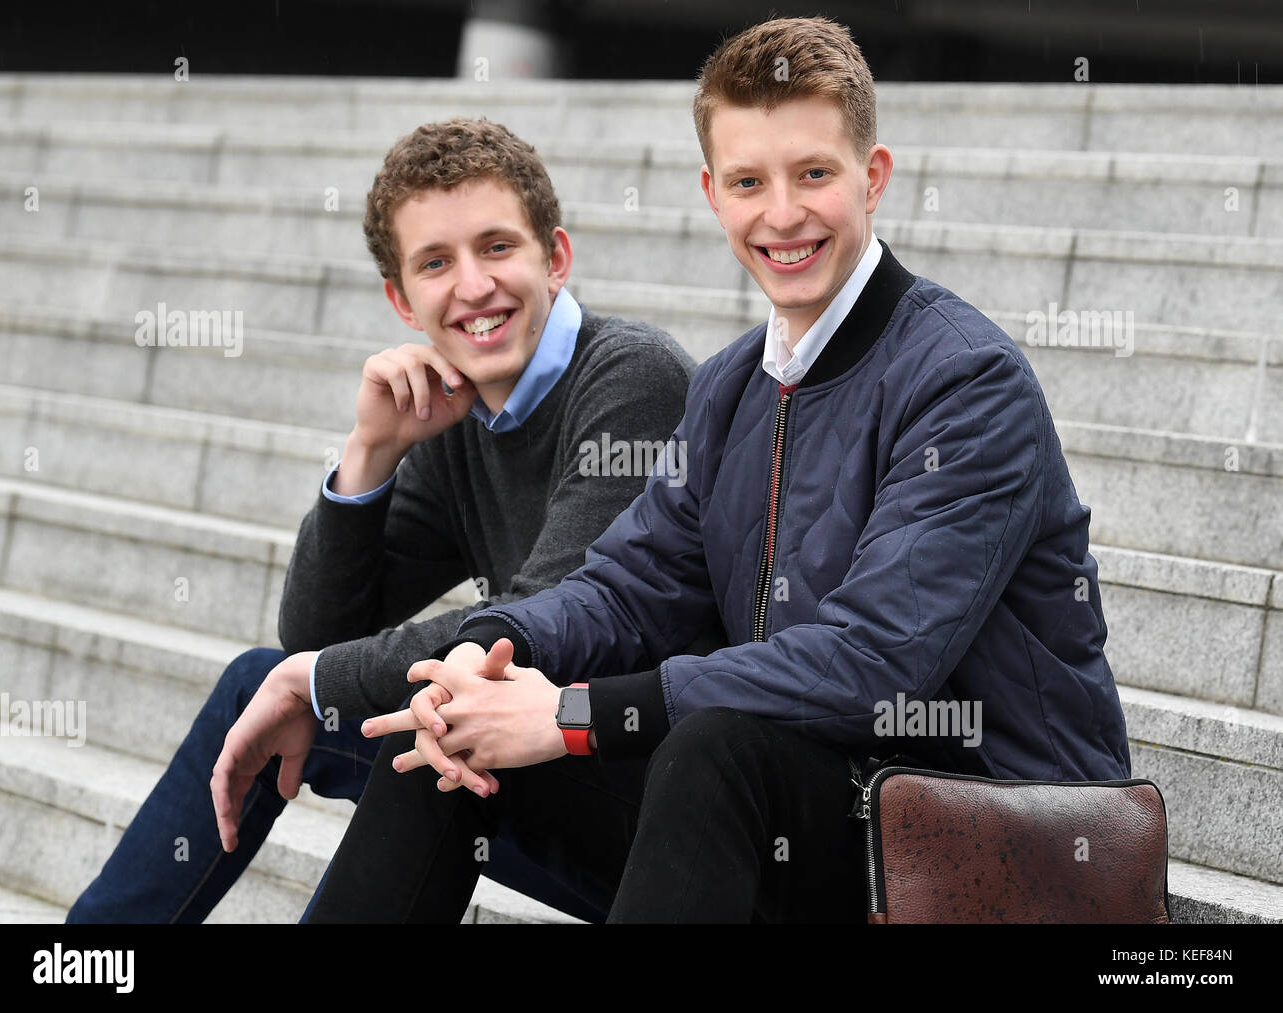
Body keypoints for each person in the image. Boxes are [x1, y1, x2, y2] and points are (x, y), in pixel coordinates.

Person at [305, 15, 1133, 925]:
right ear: (712, 193)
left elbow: (871, 664)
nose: (781, 214)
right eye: (748, 182)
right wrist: (494, 652)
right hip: (816, 812)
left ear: (875, 177)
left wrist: (574, 713)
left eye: (814, 173)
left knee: (714, 746)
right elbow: (627, 590)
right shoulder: (735, 383)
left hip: (1001, 838)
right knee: (452, 735)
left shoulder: (967, 381)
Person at [65, 117, 697, 923]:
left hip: (671, 808)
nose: (472, 286)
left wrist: (316, 678)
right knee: (263, 683)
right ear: (402, 299)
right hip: (540, 762)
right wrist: (371, 451)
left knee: (437, 721)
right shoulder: (460, 417)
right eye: (436, 263)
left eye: (497, 247)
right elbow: (317, 635)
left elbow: (543, 625)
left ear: (556, 259)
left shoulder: (632, 380)